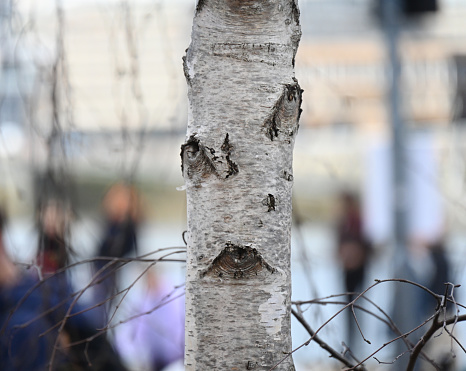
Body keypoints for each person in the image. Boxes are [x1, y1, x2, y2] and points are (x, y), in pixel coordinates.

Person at [335, 191, 372, 348]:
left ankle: (355, 345)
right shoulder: (345, 223)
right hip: (348, 270)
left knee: (355, 306)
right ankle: (351, 345)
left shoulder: (358, 222)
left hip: (357, 269)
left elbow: (369, 246)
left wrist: (355, 256)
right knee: (350, 307)